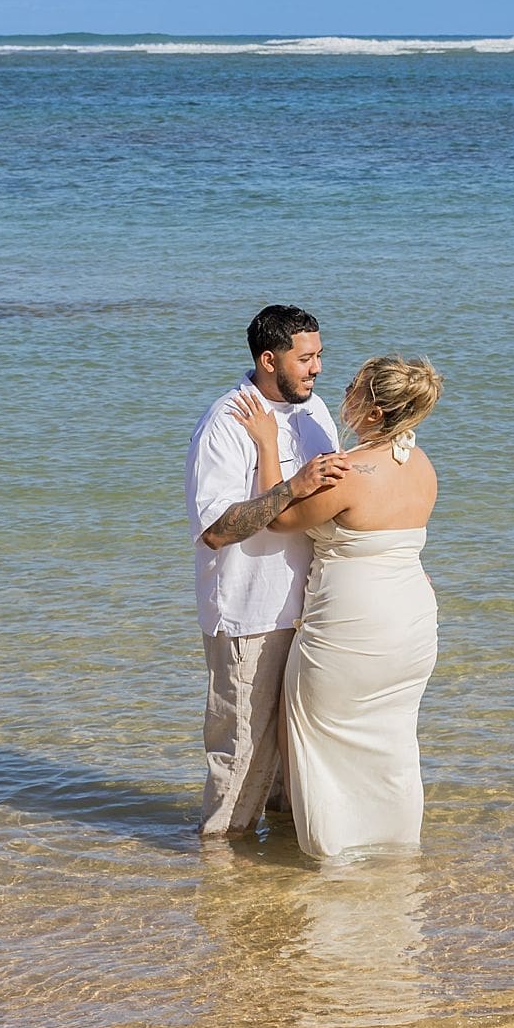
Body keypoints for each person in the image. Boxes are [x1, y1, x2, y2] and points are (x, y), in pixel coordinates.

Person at [234, 355, 444, 859]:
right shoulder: (420, 464)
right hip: (412, 621)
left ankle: (335, 861)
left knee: (318, 738)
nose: (343, 389)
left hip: (354, 627)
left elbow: (278, 520)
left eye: (354, 387)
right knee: (391, 745)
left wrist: (266, 443)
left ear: (373, 412)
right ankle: (391, 856)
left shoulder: (350, 474)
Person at [185, 305, 349, 836]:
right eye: (306, 358)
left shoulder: (315, 410)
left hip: (311, 609)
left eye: (319, 356)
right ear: (268, 358)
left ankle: (270, 886)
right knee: (242, 759)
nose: (317, 368)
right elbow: (217, 528)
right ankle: (218, 877)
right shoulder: (225, 422)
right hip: (250, 613)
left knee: (294, 762)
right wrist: (291, 487)